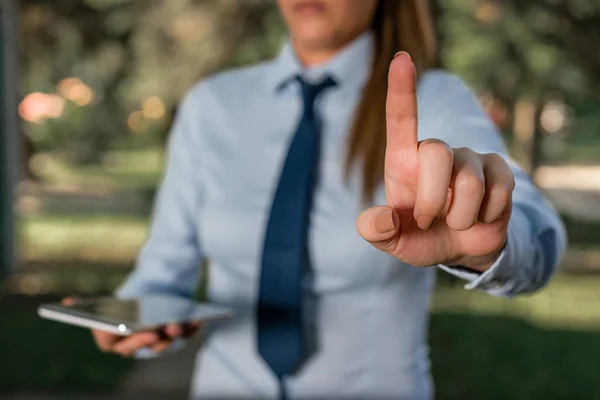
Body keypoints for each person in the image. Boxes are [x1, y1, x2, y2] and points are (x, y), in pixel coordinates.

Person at [80, 0, 566, 398]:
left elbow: (538, 237)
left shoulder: (431, 99)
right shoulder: (213, 105)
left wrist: (489, 246)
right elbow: (164, 266)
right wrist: (135, 318)